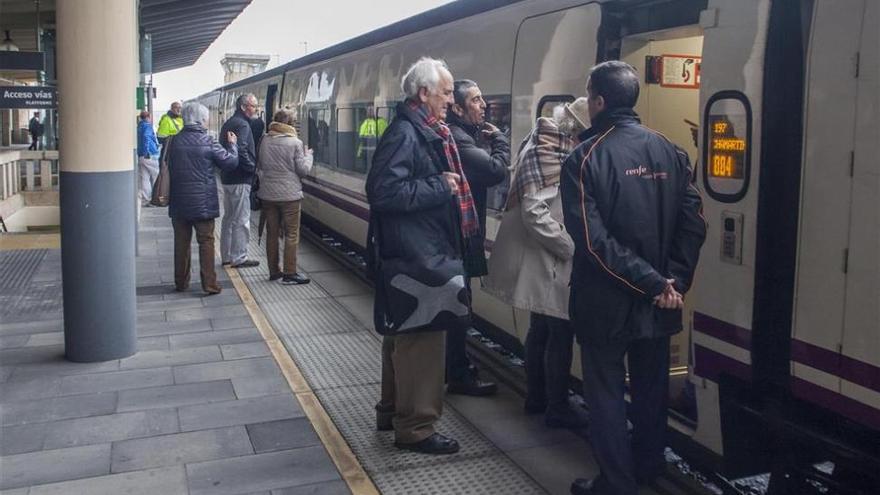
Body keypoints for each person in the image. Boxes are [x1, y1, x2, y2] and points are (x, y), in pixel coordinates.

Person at [560, 61, 706, 495]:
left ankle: (616, 482)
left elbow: (592, 242)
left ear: (599, 101)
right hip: (659, 304)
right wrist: (671, 283)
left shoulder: (583, 158)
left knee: (604, 393)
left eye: (588, 96)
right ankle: (647, 469)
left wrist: (654, 283)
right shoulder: (671, 151)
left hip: (605, 303)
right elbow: (694, 224)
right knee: (651, 391)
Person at [367, 57, 465, 455]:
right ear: (423, 94)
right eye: (446, 92)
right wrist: (440, 186)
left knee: (402, 336)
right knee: (422, 341)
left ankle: (392, 410)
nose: (451, 100)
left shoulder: (417, 129)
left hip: (414, 252)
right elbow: (383, 192)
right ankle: (417, 428)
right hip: (418, 256)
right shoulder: (407, 133)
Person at [484, 98, 591, 428]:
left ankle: (537, 397)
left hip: (544, 256)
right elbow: (534, 212)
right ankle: (555, 405)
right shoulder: (549, 152)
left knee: (542, 329)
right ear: (574, 129)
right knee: (559, 332)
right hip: (548, 256)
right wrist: (570, 246)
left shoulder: (544, 145)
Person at [443, 79, 510, 396]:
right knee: (459, 306)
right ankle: (457, 373)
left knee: (459, 303)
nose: (484, 105)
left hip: (459, 235)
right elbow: (496, 170)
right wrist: (500, 139)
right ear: (457, 108)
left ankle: (455, 367)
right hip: (458, 238)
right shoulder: (459, 138)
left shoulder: (460, 135)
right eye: (476, 100)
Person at [166, 103, 239, 295]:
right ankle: (210, 284)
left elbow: (165, 165)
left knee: (181, 243)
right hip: (203, 203)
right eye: (206, 119)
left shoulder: (172, 141)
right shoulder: (208, 141)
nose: (208, 122)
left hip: (179, 201)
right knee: (206, 242)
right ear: (201, 120)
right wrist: (232, 145)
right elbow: (230, 163)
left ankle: (181, 282)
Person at [256, 108, 313, 285]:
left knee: (272, 233)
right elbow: (303, 171)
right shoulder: (295, 143)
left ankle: (274, 271)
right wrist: (308, 156)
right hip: (290, 196)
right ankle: (290, 273)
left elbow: (261, 164)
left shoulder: (264, 140)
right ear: (290, 124)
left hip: (268, 195)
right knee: (291, 234)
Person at [219, 93, 260, 268]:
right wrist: (252, 169)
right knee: (241, 219)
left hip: (228, 177)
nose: (256, 109)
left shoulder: (229, 122)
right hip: (240, 178)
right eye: (253, 106)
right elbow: (241, 149)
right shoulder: (243, 125)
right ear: (244, 107)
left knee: (228, 217)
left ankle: (227, 255)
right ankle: (239, 257)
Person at [137, 111, 160, 206]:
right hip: (149, 155)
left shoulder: (138, 127)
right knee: (157, 176)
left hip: (141, 155)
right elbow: (146, 137)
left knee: (144, 178)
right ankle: (156, 198)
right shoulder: (147, 126)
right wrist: (147, 152)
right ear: (148, 117)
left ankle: (146, 200)